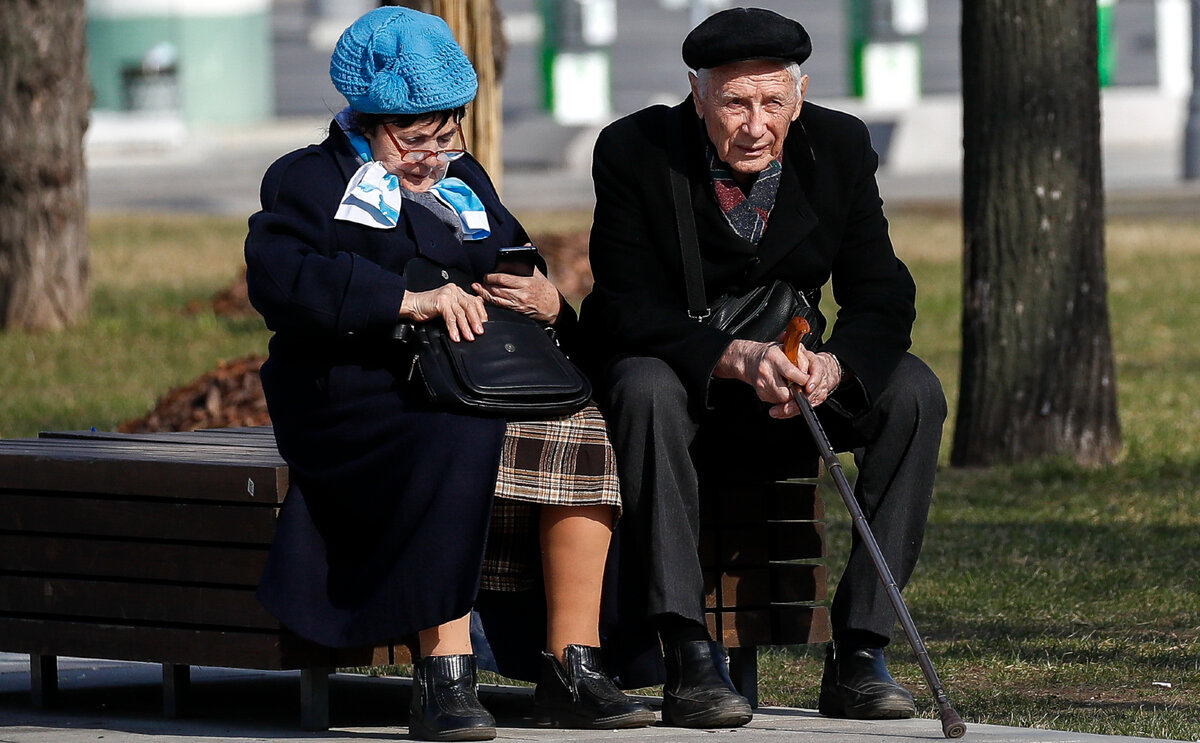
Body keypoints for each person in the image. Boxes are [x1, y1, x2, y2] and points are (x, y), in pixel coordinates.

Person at [243, 7, 653, 741]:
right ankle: (445, 672)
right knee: (452, 432)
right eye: (415, 139)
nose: (435, 156)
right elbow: (280, 278)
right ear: (366, 119)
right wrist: (405, 298)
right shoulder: (307, 179)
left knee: (579, 426)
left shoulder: (464, 179)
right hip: (352, 387)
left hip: (464, 373)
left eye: (446, 133)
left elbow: (509, 256)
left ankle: (573, 662)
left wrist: (546, 298)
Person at [579, 7, 947, 729]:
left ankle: (862, 649)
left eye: (773, 102)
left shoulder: (839, 145)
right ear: (697, 94)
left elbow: (883, 292)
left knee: (913, 391)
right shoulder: (635, 150)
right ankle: (687, 651)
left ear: (799, 97)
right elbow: (622, 306)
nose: (755, 124)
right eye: (734, 103)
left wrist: (837, 367)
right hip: (687, 395)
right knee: (643, 385)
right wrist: (729, 356)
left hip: (795, 393)